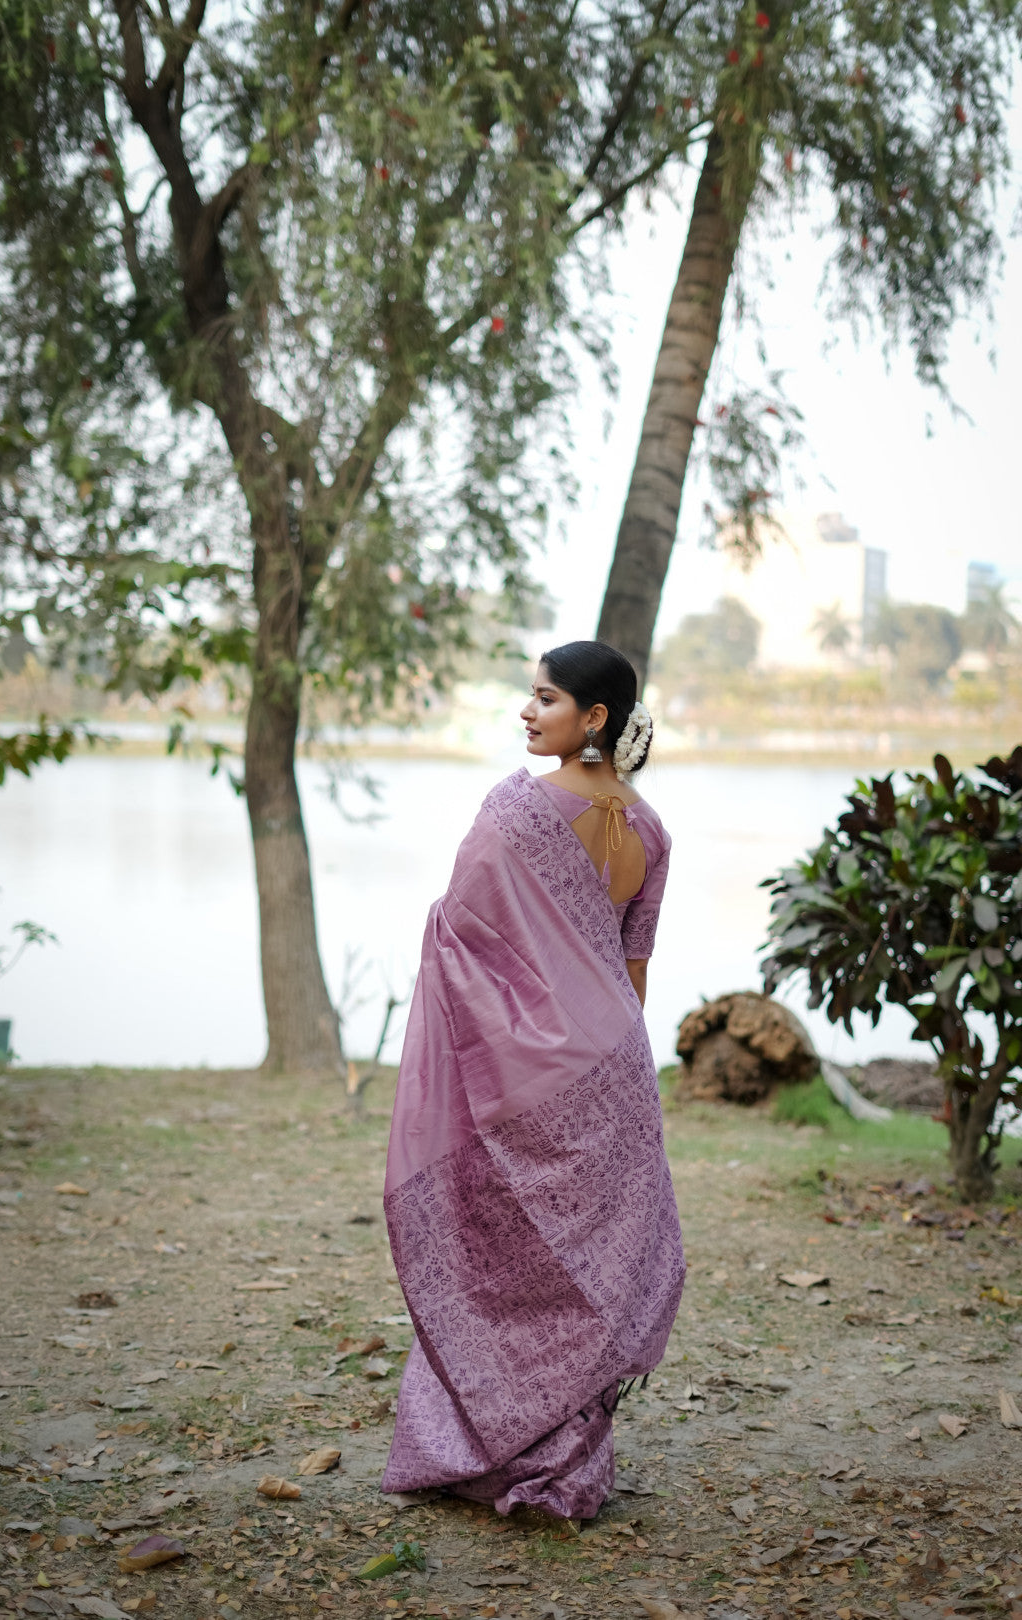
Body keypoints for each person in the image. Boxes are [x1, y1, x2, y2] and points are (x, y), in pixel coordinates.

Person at [380, 640, 685, 1521]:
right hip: (612, 1069)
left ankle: (492, 1444)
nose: (526, 711)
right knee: (586, 1261)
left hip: (525, 1072)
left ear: (594, 719)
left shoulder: (516, 807)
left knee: (507, 1257)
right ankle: (569, 1450)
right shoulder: (652, 829)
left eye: (545, 699)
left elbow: (464, 935)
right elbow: (634, 969)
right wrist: (628, 1074)